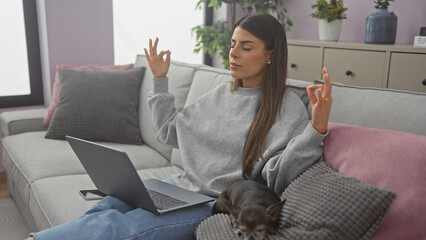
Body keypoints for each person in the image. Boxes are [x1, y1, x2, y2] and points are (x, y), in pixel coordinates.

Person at [26, 13, 333, 240]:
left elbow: (279, 175)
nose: (233, 53)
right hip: (177, 187)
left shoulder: (287, 106)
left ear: (270, 55)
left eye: (246, 47)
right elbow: (170, 132)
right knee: (108, 204)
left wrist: (315, 130)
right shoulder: (220, 94)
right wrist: (160, 81)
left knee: (119, 229)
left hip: (212, 202)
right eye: (233, 44)